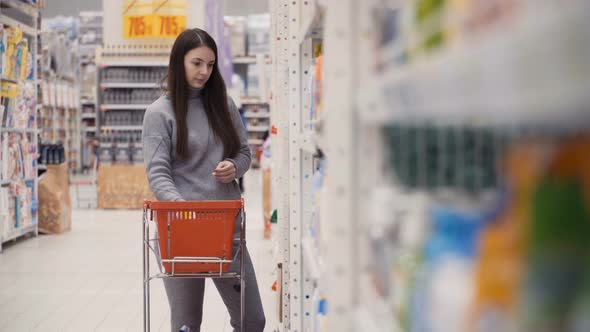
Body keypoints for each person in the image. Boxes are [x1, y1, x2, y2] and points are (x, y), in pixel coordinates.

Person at [142, 28, 266, 332]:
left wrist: (234, 167)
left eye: (210, 65)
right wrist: (184, 212)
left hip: (226, 230)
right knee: (186, 325)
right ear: (178, 62)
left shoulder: (224, 105)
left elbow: (245, 153)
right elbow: (159, 173)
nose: (204, 72)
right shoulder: (159, 113)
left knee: (252, 319)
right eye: (196, 63)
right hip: (181, 232)